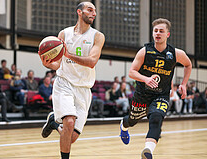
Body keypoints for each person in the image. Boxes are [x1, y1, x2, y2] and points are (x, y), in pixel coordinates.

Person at [119, 18, 192, 159]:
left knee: (156, 118)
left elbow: (188, 64)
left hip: (161, 94)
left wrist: (183, 84)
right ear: (153, 33)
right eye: (155, 31)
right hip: (142, 94)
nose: (158, 33)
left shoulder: (176, 53)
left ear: (167, 34)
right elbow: (131, 72)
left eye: (161, 31)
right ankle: (124, 125)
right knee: (132, 121)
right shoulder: (144, 51)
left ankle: (148, 151)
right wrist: (146, 79)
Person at [40, 2, 105, 159]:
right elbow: (57, 64)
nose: (93, 13)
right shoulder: (64, 34)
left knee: (71, 137)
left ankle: (53, 122)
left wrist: (69, 55)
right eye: (90, 10)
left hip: (84, 89)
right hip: (64, 84)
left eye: (94, 11)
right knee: (69, 122)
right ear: (79, 12)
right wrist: (46, 62)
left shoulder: (97, 36)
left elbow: (91, 62)